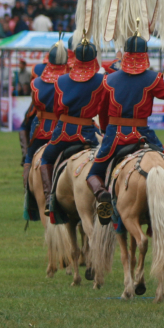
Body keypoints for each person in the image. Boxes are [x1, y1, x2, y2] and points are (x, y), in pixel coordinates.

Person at [86, 31, 164, 223]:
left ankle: (103, 199)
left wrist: (107, 131)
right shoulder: (153, 78)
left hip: (115, 136)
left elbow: (102, 110)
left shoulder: (109, 80)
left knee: (94, 173)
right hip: (143, 135)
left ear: (124, 54)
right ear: (145, 55)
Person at [38, 39, 104, 214]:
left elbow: (58, 108)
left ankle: (50, 199)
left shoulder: (61, 80)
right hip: (89, 133)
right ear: (94, 57)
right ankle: (104, 193)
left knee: (46, 159)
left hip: (63, 133)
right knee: (105, 159)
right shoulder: (102, 80)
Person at [24, 42, 68, 196]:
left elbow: (36, 103)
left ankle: (28, 193)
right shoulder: (69, 80)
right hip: (64, 128)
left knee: (30, 155)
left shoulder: (36, 82)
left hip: (42, 127)